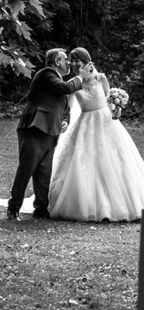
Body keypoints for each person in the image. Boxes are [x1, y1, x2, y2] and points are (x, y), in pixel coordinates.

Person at [48, 47, 144, 221]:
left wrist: (117, 110)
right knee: (82, 161)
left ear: (87, 60)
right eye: (72, 60)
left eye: (78, 59)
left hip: (105, 122)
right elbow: (67, 106)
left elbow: (110, 100)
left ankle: (122, 203)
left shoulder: (100, 78)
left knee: (115, 159)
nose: (75, 63)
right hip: (84, 124)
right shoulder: (74, 82)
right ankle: (84, 203)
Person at [7, 48, 91, 221]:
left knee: (44, 172)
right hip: (34, 129)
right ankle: (13, 208)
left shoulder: (55, 78)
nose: (68, 62)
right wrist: (81, 76)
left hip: (50, 130)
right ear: (56, 61)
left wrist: (64, 120)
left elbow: (61, 104)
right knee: (27, 169)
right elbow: (66, 88)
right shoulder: (46, 74)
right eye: (65, 59)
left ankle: (41, 210)